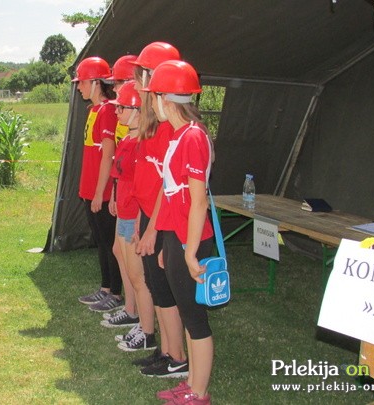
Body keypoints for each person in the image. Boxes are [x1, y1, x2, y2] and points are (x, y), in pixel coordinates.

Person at [148, 60, 215, 405]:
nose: (151, 104)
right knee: (189, 316)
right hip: (178, 236)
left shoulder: (193, 137)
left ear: (166, 99)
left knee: (194, 317)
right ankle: (190, 382)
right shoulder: (178, 135)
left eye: (153, 96)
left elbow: (199, 200)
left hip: (193, 240)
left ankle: (199, 393)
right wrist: (168, 244)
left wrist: (188, 252)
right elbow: (175, 195)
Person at [127, 41, 189, 377]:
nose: (136, 84)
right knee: (156, 283)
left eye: (140, 76)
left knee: (166, 289)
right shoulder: (153, 125)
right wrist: (141, 219)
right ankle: (167, 351)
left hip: (165, 221)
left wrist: (153, 229)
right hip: (151, 217)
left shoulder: (171, 129)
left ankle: (176, 356)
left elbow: (169, 186)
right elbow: (147, 181)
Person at [102, 82, 157, 355]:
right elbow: (121, 176)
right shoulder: (128, 139)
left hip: (132, 216)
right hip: (123, 212)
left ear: (137, 111)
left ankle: (147, 332)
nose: (118, 112)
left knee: (139, 278)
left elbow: (144, 186)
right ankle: (136, 319)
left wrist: (137, 219)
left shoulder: (142, 144)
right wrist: (114, 196)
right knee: (132, 273)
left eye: (122, 108)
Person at [73, 56, 124, 313]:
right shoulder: (93, 110)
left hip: (100, 193)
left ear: (95, 82)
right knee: (101, 242)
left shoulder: (107, 110)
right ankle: (105, 288)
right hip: (89, 190)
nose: (78, 86)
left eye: (81, 81)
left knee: (109, 244)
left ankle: (115, 292)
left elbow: (108, 153)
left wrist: (98, 193)